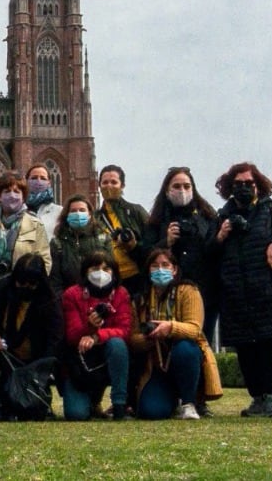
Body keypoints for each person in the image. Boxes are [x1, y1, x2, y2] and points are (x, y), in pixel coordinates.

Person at [211, 162, 272, 418]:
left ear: (258, 185)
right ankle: (257, 398)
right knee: (245, 348)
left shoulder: (271, 210)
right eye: (237, 184)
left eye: (248, 183)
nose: (243, 188)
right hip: (236, 294)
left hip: (268, 292)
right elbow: (208, 251)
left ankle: (271, 397)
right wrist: (220, 235)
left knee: (270, 345)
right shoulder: (222, 216)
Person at [129, 248, 222, 420]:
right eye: (155, 266)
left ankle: (189, 402)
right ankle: (171, 401)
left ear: (175, 269)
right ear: (148, 270)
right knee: (151, 412)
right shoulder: (140, 299)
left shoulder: (188, 291)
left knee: (186, 348)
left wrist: (170, 328)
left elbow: (195, 329)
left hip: (184, 356)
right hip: (157, 364)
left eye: (165, 265)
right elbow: (132, 339)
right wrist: (148, 337)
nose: (160, 270)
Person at [0, 253, 63, 421]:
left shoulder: (49, 301)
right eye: (21, 283)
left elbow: (54, 338)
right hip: (3, 353)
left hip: (33, 361)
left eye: (31, 284)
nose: (25, 288)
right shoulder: (1, 289)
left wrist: (42, 369)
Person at [144, 167, 219, 345]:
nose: (182, 191)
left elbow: (215, 250)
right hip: (169, 295)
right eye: (176, 186)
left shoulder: (207, 216)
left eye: (186, 186)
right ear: (167, 190)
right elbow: (146, 255)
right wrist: (166, 242)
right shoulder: (156, 220)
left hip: (204, 293)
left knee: (202, 343)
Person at [59, 251, 132, 420]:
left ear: (114, 272)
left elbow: (125, 331)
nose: (101, 273)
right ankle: (90, 402)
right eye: (95, 268)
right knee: (76, 414)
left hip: (110, 352)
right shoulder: (72, 294)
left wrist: (96, 336)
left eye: (106, 269)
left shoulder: (121, 293)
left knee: (118, 344)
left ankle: (119, 404)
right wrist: (88, 326)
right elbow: (71, 336)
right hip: (80, 359)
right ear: (85, 271)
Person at [0, 172, 51, 284]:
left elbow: (45, 261)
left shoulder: (35, 225)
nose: (12, 195)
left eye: (17, 192)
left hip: (20, 289)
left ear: (23, 197)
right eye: (7, 192)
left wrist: (30, 284)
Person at [94, 164, 150, 297]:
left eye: (114, 182)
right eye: (105, 182)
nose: (109, 186)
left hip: (137, 278)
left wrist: (134, 246)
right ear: (99, 186)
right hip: (108, 280)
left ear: (122, 185)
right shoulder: (95, 218)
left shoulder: (136, 211)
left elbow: (152, 244)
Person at [49, 194, 111, 297]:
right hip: (69, 301)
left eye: (82, 210)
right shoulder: (57, 243)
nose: (78, 214)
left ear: (90, 214)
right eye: (73, 211)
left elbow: (110, 273)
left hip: (98, 298)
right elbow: (55, 282)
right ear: (66, 215)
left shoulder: (103, 240)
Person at [24, 164, 61, 245]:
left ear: (49, 183)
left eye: (43, 178)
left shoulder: (59, 211)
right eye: (34, 178)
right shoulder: (18, 209)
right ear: (26, 181)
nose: (38, 181)